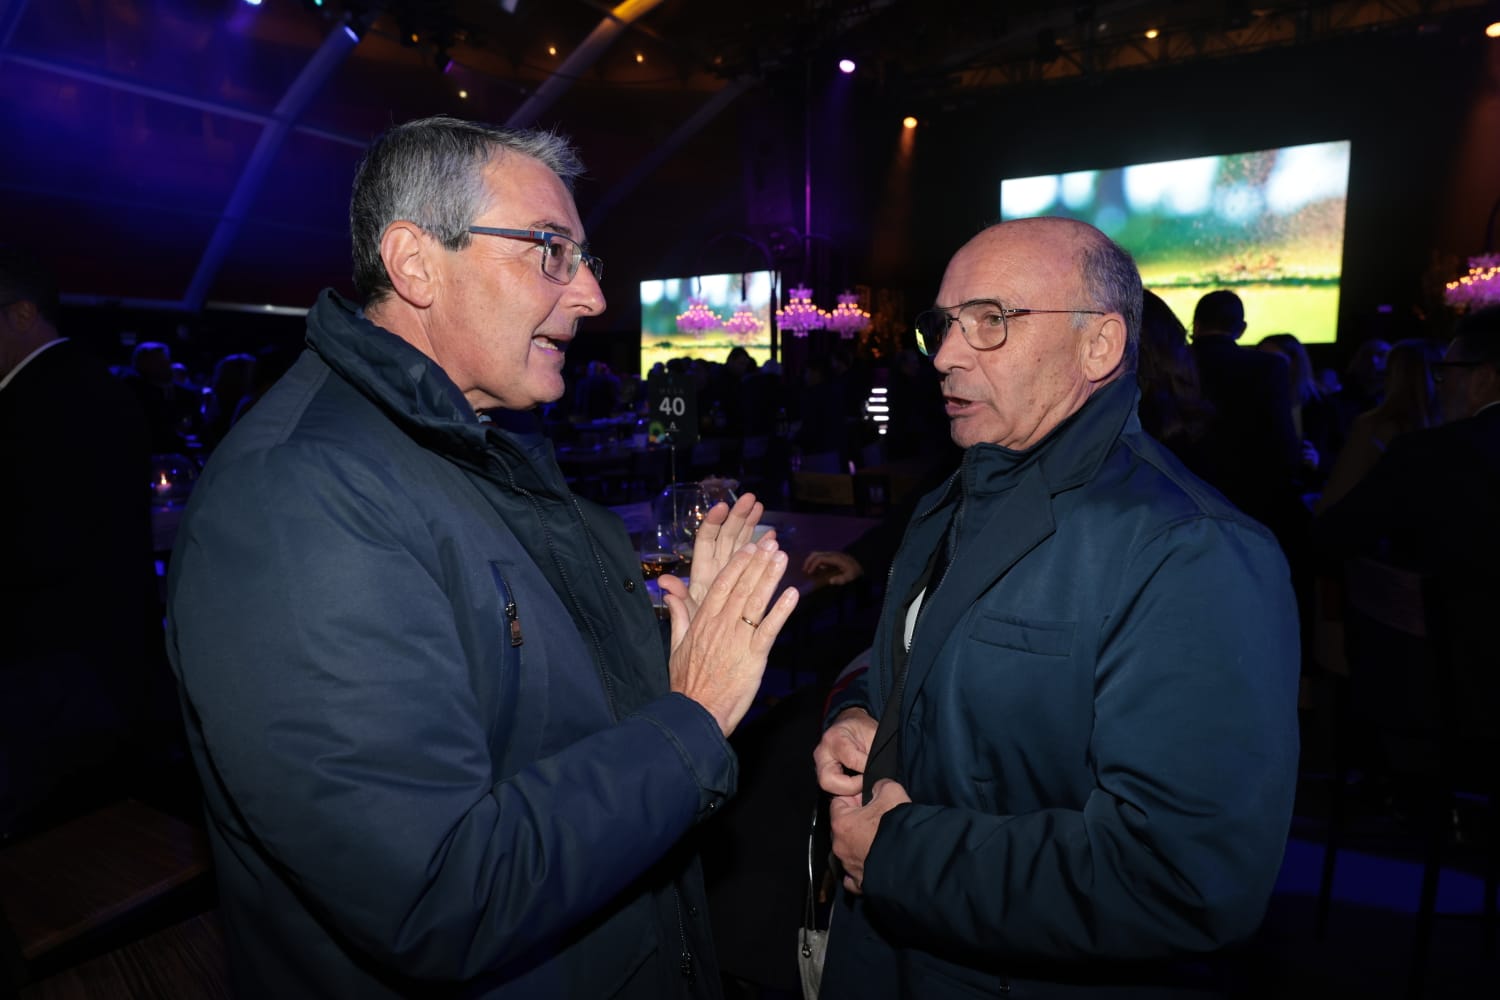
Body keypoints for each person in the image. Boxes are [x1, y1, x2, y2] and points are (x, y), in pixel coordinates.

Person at [166, 116, 799, 998]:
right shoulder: (297, 497)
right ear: (415, 262)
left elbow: (527, 722)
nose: (591, 297)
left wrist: (664, 653)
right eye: (549, 250)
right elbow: (437, 897)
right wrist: (691, 715)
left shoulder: (480, 447)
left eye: (586, 260)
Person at [812, 218, 1300, 997]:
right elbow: (918, 655)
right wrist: (866, 710)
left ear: (1099, 346)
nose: (943, 355)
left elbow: (1186, 875)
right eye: (942, 325)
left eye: (990, 321)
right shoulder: (954, 499)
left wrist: (904, 856)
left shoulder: (1189, 551)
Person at [0, 249, 161, 835]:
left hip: (51, 669)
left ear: (22, 314)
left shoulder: (42, 400)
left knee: (55, 851)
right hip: (99, 658)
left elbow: (36, 545)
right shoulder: (88, 382)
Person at [1316, 305, 1500, 581]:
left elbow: (1334, 536)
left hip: (1449, 622)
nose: (1439, 386)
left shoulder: (1430, 452)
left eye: (1444, 373)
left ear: (1482, 379)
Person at [1188, 290, 1302, 534]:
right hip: (1250, 498)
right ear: (1241, 328)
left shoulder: (1170, 363)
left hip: (1180, 495)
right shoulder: (1268, 368)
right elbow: (1283, 443)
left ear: (1195, 324)